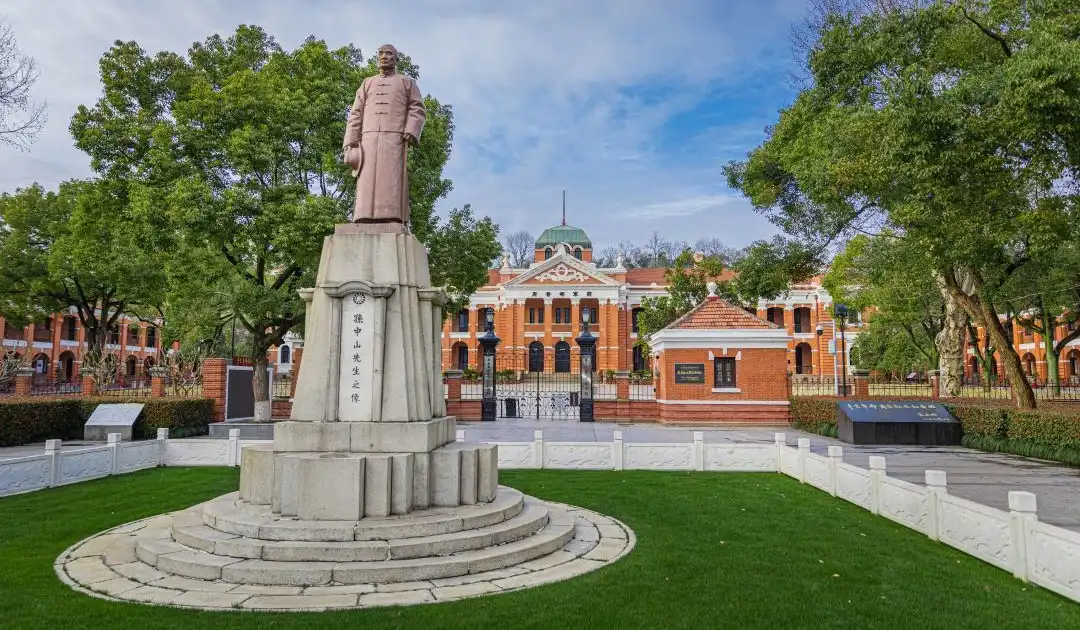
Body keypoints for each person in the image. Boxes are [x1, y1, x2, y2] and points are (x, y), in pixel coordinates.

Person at [342, 44, 427, 226]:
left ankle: (392, 216)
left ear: (396, 58)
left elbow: (417, 108)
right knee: (366, 181)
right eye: (381, 53)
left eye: (389, 54)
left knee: (391, 181)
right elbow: (355, 114)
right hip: (368, 141)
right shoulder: (367, 83)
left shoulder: (407, 82)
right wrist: (350, 143)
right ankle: (363, 216)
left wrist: (411, 130)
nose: (384, 57)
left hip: (394, 140)